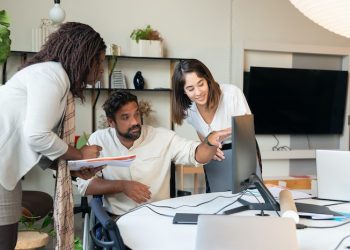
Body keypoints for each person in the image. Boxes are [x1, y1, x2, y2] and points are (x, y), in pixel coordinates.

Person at [0, 22, 105, 250]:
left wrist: (72, 167)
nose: (102, 70)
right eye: (100, 61)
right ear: (85, 56)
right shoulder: (51, 75)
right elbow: (37, 136)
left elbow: (37, 141)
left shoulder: (51, 76)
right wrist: (79, 153)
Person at [77, 91, 231, 216]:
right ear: (111, 122)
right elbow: (86, 185)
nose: (135, 122)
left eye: (136, 114)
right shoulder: (99, 140)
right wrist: (122, 186)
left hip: (159, 216)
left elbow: (195, 154)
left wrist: (209, 143)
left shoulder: (162, 137)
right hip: (118, 219)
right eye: (125, 117)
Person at [171, 59, 252, 191]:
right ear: (183, 91)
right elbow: (200, 130)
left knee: (247, 195)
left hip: (242, 149)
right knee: (215, 197)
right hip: (214, 154)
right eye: (190, 89)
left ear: (207, 79)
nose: (198, 93)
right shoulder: (188, 109)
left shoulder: (231, 95)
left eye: (201, 84)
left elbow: (246, 133)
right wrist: (208, 148)